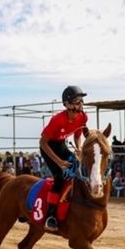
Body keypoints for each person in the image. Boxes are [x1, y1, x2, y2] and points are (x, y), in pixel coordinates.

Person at [39, 85, 88, 231]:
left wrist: (79, 149)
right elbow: (43, 142)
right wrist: (59, 162)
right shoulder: (57, 120)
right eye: (77, 101)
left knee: (79, 170)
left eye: (81, 100)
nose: (81, 104)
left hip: (61, 145)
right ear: (67, 104)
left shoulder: (83, 117)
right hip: (48, 148)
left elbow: (78, 136)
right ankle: (51, 216)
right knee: (59, 177)